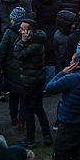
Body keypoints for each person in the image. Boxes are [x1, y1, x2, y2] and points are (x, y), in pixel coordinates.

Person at [13, 18, 52, 147]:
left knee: (29, 110)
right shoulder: (38, 40)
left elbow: (18, 54)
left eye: (23, 29)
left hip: (30, 81)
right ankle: (47, 136)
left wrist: (22, 41)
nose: (20, 30)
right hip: (37, 79)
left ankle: (30, 139)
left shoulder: (33, 45)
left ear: (30, 31)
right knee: (38, 108)